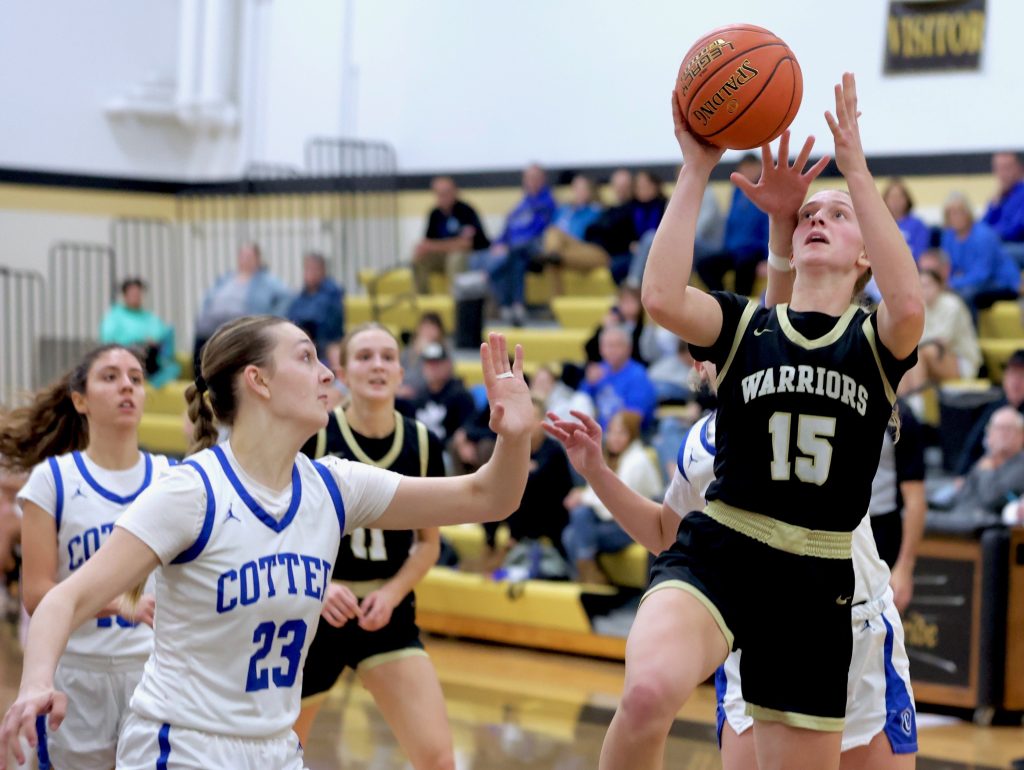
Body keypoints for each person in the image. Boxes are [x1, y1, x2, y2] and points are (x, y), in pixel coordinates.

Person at [0, 317, 534, 770]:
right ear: (258, 381)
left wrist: (513, 438)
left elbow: (489, 496)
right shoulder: (191, 491)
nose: (327, 373)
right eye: (306, 358)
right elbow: (63, 599)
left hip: (276, 749)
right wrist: (36, 683)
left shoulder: (335, 486)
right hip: (182, 745)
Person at [610, 73, 922, 769]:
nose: (818, 219)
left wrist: (856, 171)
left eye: (836, 216)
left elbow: (907, 304)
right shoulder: (749, 325)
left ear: (866, 251)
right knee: (646, 692)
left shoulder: (873, 344)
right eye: (810, 213)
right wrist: (697, 165)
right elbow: (661, 296)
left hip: (819, 577)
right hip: (726, 543)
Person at [545, 372, 919, 768]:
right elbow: (666, 534)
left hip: (855, 626)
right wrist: (597, 472)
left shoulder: (820, 398)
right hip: (758, 637)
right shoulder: (700, 443)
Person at [0, 345, 178, 770]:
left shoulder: (170, 478)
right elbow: (37, 595)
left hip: (151, 673)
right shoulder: (53, 480)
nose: (126, 387)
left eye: (135, 378)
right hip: (76, 672)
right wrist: (121, 603)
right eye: (110, 377)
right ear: (80, 400)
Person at [294, 322, 453, 769]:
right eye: (364, 356)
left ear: (403, 372)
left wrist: (392, 593)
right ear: (342, 370)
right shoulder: (315, 436)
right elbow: (279, 533)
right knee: (280, 755)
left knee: (438, 758)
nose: (377, 365)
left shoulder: (423, 444)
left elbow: (427, 546)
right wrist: (319, 586)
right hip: (313, 614)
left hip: (386, 614)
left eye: (387, 356)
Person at [561, 409, 662, 584]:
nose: (614, 437)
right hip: (614, 521)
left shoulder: (637, 460)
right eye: (612, 431)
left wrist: (583, 497)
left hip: (635, 526)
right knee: (574, 525)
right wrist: (583, 496)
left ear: (632, 435)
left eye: (621, 432)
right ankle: (592, 577)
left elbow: (618, 500)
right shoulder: (615, 456)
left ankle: (589, 577)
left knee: (574, 532)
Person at [192, 242, 291, 374]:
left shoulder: (266, 281)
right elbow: (209, 298)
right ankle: (200, 380)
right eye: (242, 256)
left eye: (249, 256)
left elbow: (286, 297)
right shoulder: (227, 278)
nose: (245, 259)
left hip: (238, 325)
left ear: (258, 259)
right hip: (212, 326)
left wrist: (270, 318)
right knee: (202, 340)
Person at [481, 164, 556, 325]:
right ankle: (515, 305)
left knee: (512, 254)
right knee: (513, 260)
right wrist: (498, 244)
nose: (532, 182)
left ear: (543, 180)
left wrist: (507, 246)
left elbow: (539, 231)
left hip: (535, 249)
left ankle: (487, 277)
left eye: (536, 177)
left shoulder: (547, 203)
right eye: (528, 178)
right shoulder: (520, 206)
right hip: (515, 252)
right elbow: (505, 232)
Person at [898, 259, 981, 396]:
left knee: (919, 353)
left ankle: (918, 403)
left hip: (962, 360)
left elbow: (941, 342)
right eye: (921, 286)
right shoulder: (919, 306)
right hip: (930, 357)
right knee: (902, 358)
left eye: (928, 285)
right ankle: (901, 404)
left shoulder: (952, 305)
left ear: (939, 286)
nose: (924, 290)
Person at [695, 153, 770, 296]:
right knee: (705, 265)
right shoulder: (737, 192)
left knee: (744, 267)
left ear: (759, 168)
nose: (747, 172)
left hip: (752, 252)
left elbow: (769, 228)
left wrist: (767, 259)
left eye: (751, 168)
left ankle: (741, 308)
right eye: (744, 168)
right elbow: (730, 224)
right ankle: (724, 300)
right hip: (733, 251)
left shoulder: (766, 192)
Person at [940, 191, 1019, 320]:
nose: (955, 217)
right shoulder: (948, 236)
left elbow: (982, 274)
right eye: (951, 213)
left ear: (968, 213)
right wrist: (946, 283)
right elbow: (948, 267)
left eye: (959, 212)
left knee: (965, 294)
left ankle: (970, 337)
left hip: (1001, 283)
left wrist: (954, 283)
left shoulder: (984, 235)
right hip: (973, 282)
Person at [412, 176, 490, 295]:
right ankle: (423, 303)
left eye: (446, 192)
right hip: (444, 255)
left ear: (455, 192)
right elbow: (427, 242)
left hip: (471, 255)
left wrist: (435, 246)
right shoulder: (434, 214)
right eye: (439, 193)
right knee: (419, 258)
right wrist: (424, 248)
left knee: (455, 258)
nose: (443, 197)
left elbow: (465, 244)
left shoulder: (466, 211)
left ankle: (455, 303)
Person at [99, 278, 181, 387]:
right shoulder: (115, 316)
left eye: (138, 293)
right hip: (126, 354)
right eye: (132, 293)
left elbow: (161, 334)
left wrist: (153, 341)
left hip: (151, 356)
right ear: (125, 295)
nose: (136, 296)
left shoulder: (149, 317)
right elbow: (108, 339)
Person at [949, 406, 1024, 518]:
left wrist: (987, 471)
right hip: (959, 518)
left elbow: (992, 498)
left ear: (1021, 435)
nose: (1003, 434)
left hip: (989, 526)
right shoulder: (986, 459)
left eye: (1009, 429)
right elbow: (962, 495)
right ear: (989, 434)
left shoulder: (1020, 466)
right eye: (998, 428)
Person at [536, 174, 606, 294]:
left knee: (554, 236)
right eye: (576, 188)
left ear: (590, 190)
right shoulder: (563, 210)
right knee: (554, 255)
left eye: (582, 189)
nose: (578, 192)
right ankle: (556, 304)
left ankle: (550, 256)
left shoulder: (596, 210)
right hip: (563, 251)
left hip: (583, 248)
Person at [580, 325, 657, 432]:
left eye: (618, 345)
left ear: (629, 348)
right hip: (599, 434)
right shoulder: (598, 372)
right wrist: (589, 384)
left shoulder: (638, 376)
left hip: (626, 436)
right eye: (609, 345)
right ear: (601, 349)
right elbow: (581, 403)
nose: (613, 350)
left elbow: (635, 418)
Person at [410, 342, 477, 446]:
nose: (433, 368)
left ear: (448, 364)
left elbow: (470, 425)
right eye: (429, 364)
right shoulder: (418, 397)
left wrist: (464, 434)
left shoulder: (461, 395)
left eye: (437, 363)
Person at [285, 253, 344, 359]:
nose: (310, 273)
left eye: (314, 269)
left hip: (325, 345)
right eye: (307, 269)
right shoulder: (302, 294)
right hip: (303, 341)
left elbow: (321, 319)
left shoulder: (333, 292)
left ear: (323, 271)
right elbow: (291, 316)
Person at [982, 151, 1024, 267]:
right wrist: (994, 207)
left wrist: (988, 236)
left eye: (1007, 168)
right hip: (1001, 244)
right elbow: (983, 224)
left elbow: (1016, 230)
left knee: (989, 253)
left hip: (1018, 246)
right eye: (998, 168)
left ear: (1020, 169)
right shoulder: (1000, 196)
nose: (1002, 173)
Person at [882, 178, 932, 260]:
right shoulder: (879, 225)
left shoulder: (918, 225)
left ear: (907, 200)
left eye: (899, 197)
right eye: (892, 197)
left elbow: (921, 254)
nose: (895, 201)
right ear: (884, 200)